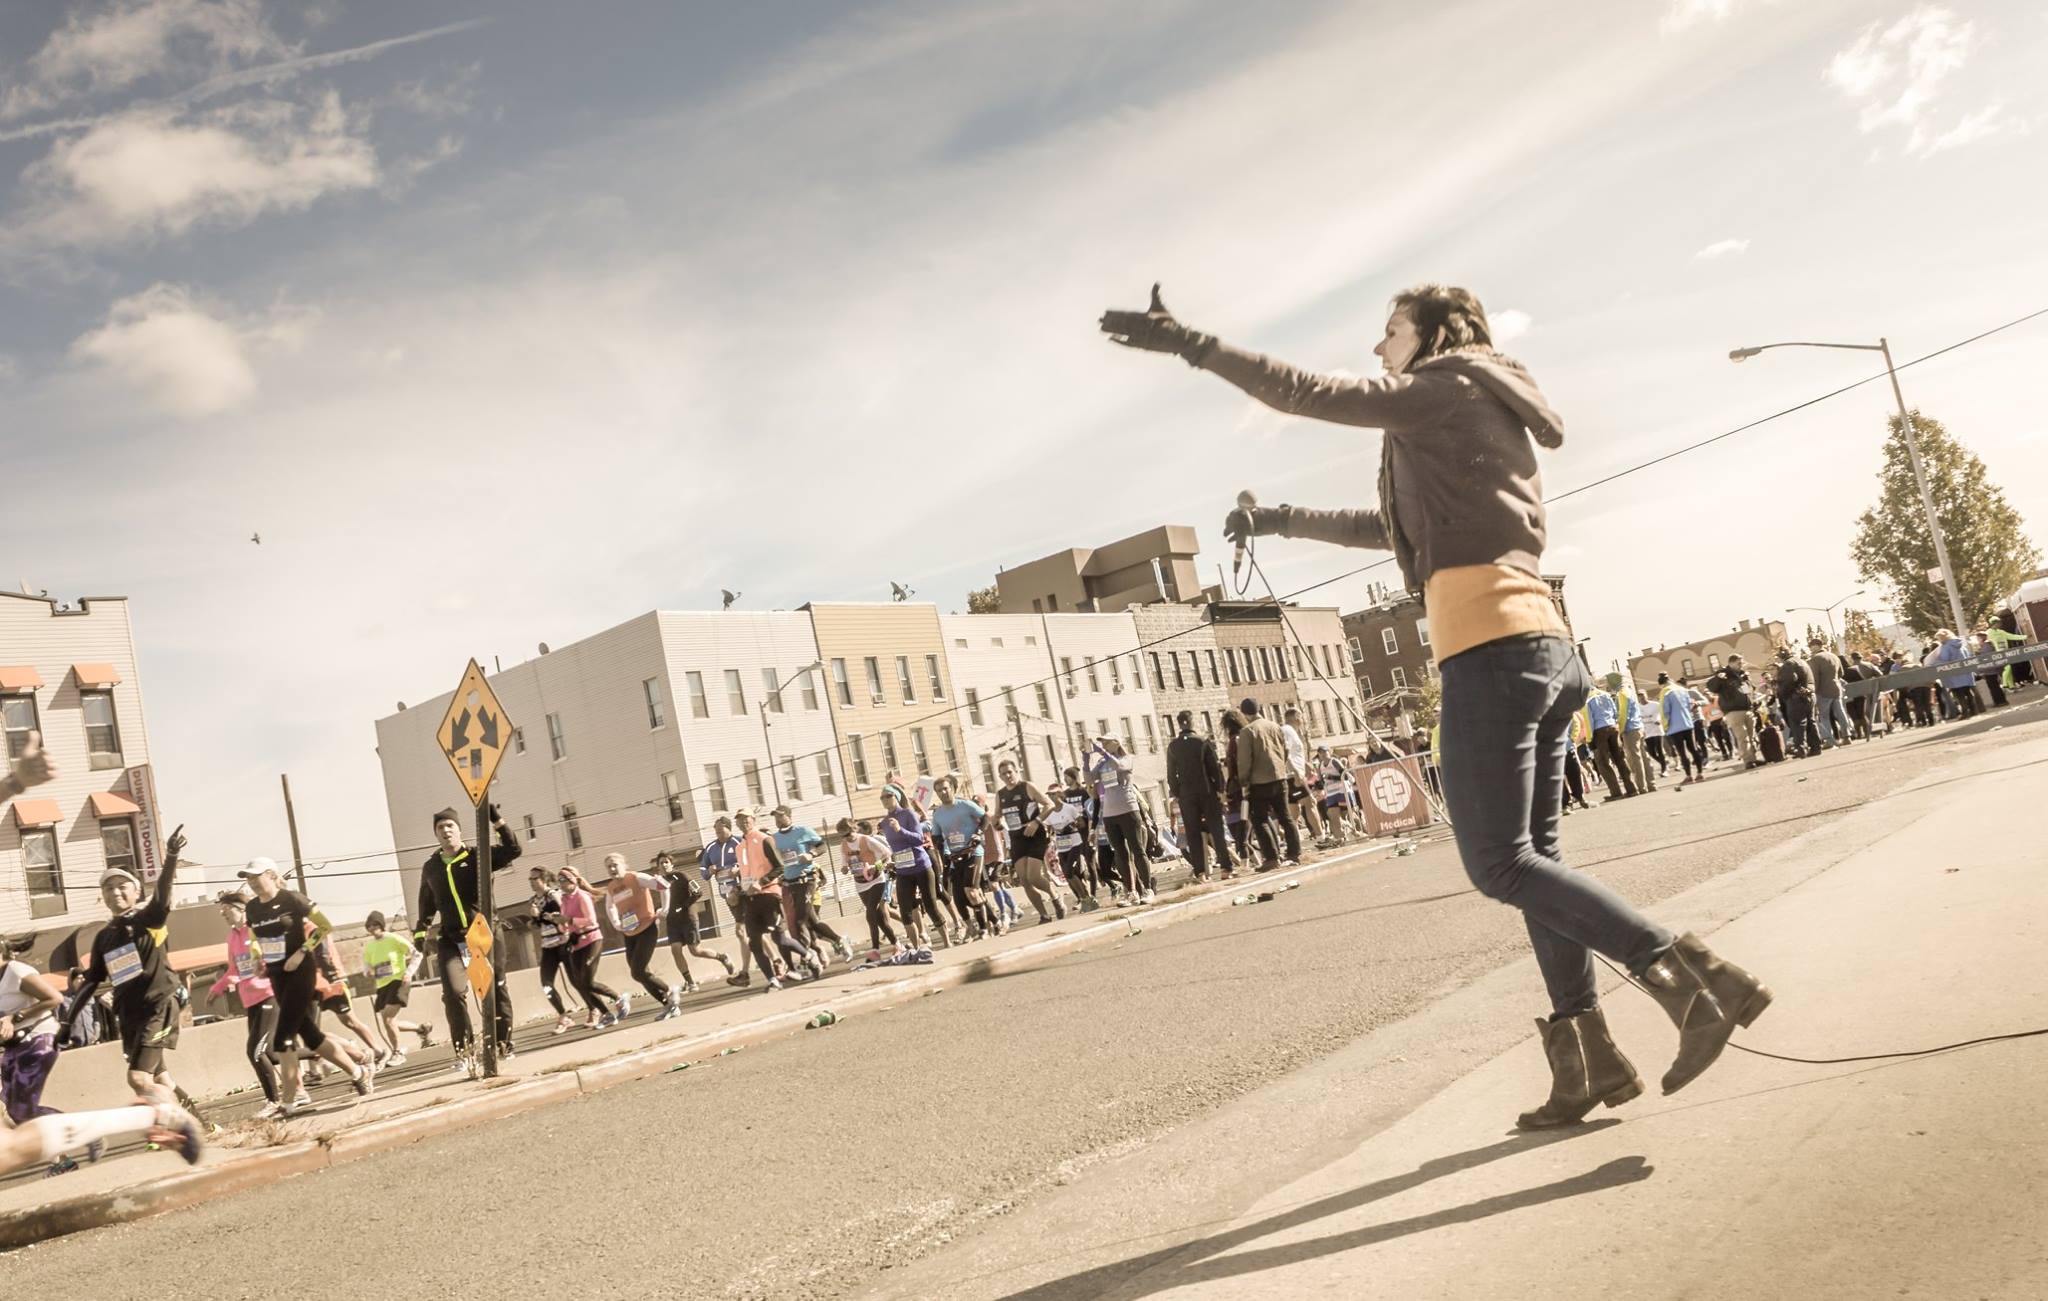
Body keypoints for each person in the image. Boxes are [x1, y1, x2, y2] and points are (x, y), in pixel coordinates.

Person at [1105, 279, 1770, 1126]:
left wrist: (1191, 344)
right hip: (1542, 644)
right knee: (1535, 867)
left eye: (1390, 332)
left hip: (1491, 649)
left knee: (1498, 863)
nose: (1378, 348)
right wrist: (1275, 519)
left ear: (1433, 334)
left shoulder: (1444, 387)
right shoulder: (1468, 408)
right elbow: (1385, 528)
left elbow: (1308, 393)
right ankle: (1587, 1056)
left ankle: (1689, 978)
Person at [60, 825, 208, 1117]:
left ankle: (177, 1130)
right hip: (129, 1015)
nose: (114, 892)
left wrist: (172, 856)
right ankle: (203, 1125)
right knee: (160, 1078)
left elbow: (163, 896)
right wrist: (67, 1023)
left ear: (136, 891)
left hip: (158, 1006)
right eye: (108, 887)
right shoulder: (104, 937)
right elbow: (90, 983)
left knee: (138, 1078)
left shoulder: (147, 920)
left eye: (122, 886)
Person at [237, 860, 373, 1107]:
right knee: (311, 1037)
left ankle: (288, 1101)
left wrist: (301, 951)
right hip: (276, 975)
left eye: (256, 876)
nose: (252, 882)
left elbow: (324, 926)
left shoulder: (293, 899)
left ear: (271, 875)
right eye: (248, 878)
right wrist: (258, 958)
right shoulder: (253, 908)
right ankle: (358, 1072)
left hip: (301, 971)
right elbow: (253, 937)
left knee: (282, 1040)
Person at [413, 805, 522, 1062]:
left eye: (450, 825)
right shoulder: (431, 867)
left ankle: (502, 1044)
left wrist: (496, 819)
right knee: (453, 994)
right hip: (452, 939)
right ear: (436, 835)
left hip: (483, 933)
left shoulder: (477, 856)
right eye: (440, 828)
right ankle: (465, 1052)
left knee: (494, 988)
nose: (445, 831)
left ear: (460, 830)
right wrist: (420, 933)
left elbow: (513, 850)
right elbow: (426, 902)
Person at [206, 891, 283, 1115]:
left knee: (255, 1052)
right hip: (250, 1001)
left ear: (240, 909)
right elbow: (234, 970)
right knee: (272, 1054)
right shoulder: (232, 937)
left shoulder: (256, 929)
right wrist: (217, 988)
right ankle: (322, 1051)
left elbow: (274, 954)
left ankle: (273, 1101)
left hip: (269, 995)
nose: (223, 914)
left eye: (226, 909)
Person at [733, 808, 821, 990]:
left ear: (753, 819)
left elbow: (780, 867)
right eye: (739, 820)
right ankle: (772, 980)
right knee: (754, 942)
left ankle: (808, 955)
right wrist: (737, 890)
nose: (743, 823)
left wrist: (762, 881)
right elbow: (746, 873)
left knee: (779, 938)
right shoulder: (739, 847)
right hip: (750, 899)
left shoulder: (765, 839)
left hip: (769, 895)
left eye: (746, 819)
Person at [1, 936, 70, 1145]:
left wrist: (16, 1017)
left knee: (21, 1110)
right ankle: (62, 1157)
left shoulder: (15, 971)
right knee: (13, 1111)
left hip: (38, 1039)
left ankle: (80, 1128)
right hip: (14, 1045)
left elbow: (55, 998)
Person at [601, 852, 683, 1020]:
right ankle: (669, 1006)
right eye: (609, 866)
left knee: (638, 971)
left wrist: (664, 909)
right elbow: (609, 906)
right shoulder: (611, 888)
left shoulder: (636, 878)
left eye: (615, 864)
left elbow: (663, 886)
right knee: (638, 972)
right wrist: (616, 922)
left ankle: (669, 990)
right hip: (630, 933)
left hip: (647, 928)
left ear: (624, 865)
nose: (612, 869)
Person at [772, 807, 854, 965]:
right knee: (812, 922)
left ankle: (808, 958)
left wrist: (811, 854)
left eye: (780, 816)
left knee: (799, 920)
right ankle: (839, 940)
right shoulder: (774, 838)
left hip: (807, 880)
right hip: (790, 883)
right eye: (775, 817)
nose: (777, 820)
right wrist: (781, 875)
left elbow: (822, 846)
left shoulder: (802, 831)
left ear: (789, 816)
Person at [651, 849, 733, 992]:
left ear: (671, 864)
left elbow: (698, 892)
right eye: (661, 863)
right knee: (675, 950)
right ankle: (690, 982)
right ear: (658, 866)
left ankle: (722, 957)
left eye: (666, 862)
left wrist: (683, 907)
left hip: (688, 918)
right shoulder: (659, 882)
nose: (664, 865)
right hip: (672, 922)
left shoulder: (681, 876)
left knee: (695, 950)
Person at [1232, 699, 1300, 870]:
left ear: (1244, 713)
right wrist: (1280, 766)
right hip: (1279, 776)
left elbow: (1245, 760)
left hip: (1259, 781)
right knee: (1285, 816)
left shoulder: (1248, 731)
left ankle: (1271, 857)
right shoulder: (1274, 726)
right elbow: (1285, 750)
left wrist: (1244, 781)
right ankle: (1294, 853)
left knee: (1260, 819)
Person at [1165, 711, 1234, 880]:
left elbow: (1171, 774)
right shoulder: (1203, 742)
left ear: (1178, 724)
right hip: (1206, 791)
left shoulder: (1173, 747)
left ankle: (1200, 872)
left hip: (1186, 795)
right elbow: (1215, 769)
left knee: (1193, 833)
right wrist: (1219, 789)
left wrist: (1178, 793)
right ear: (1192, 722)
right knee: (1216, 831)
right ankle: (1225, 869)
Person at [930, 777, 1002, 938]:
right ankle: (992, 923)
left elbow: (985, 818)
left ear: (952, 789)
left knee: (971, 890)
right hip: (956, 857)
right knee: (960, 898)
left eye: (946, 788)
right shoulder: (938, 814)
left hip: (973, 852)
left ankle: (983, 929)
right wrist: (944, 854)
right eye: (939, 790)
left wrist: (978, 834)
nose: (943, 792)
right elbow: (936, 837)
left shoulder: (964, 805)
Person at [996, 760, 1067, 922]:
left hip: (1035, 835)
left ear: (1016, 771)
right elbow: (997, 815)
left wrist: (1036, 822)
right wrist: (996, 822)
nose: (1007, 776)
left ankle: (1055, 896)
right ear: (1000, 777)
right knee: (1024, 880)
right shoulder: (1000, 795)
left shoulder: (1027, 786)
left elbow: (1049, 804)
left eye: (1010, 772)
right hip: (1017, 837)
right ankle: (1044, 915)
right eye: (1004, 774)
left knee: (1034, 876)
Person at [1087, 736, 1153, 904]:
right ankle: (1131, 892)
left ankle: (1148, 888)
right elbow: (1089, 779)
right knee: (1120, 855)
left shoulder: (1126, 759)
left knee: (1138, 850)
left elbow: (1120, 766)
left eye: (1107, 742)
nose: (1103, 746)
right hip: (1109, 814)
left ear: (1117, 743)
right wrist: (1085, 758)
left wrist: (1102, 752)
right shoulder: (1102, 763)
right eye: (1102, 743)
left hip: (1129, 810)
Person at [360, 910, 432, 1060]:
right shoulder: (369, 946)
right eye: (369, 926)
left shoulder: (393, 939)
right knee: (389, 1022)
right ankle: (421, 1029)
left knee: (388, 1020)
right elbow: (366, 966)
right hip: (382, 987)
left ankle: (398, 1053)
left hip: (399, 982)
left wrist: (409, 972)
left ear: (382, 925)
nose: (373, 928)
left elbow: (417, 954)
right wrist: (368, 972)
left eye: (375, 924)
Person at [558, 866, 622, 1027]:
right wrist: (559, 923)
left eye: (563, 880)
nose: (560, 884)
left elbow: (591, 920)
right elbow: (565, 925)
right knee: (580, 982)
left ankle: (618, 998)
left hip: (592, 940)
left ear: (572, 881)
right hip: (576, 943)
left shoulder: (582, 896)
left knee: (587, 981)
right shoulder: (564, 899)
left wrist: (569, 920)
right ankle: (606, 1014)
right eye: (558, 881)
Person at [699, 818, 757, 985]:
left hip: (744, 891)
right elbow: (703, 870)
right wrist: (709, 870)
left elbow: (752, 861)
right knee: (746, 932)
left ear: (729, 828)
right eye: (716, 830)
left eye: (720, 829)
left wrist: (738, 869)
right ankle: (767, 963)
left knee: (743, 931)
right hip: (727, 894)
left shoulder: (739, 842)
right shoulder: (711, 847)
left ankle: (751, 970)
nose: (718, 832)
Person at [836, 817, 901, 954]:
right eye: (843, 835)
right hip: (860, 883)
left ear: (854, 829)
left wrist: (875, 866)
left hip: (877, 880)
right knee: (879, 918)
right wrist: (844, 869)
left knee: (870, 913)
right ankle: (897, 944)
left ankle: (875, 950)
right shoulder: (844, 845)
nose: (846, 838)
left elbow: (887, 854)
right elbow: (844, 862)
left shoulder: (865, 840)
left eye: (848, 834)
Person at [527, 868, 581, 1033]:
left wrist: (541, 914)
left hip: (562, 941)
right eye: (530, 879)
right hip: (548, 945)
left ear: (543, 879)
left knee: (576, 979)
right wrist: (533, 919)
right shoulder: (533, 900)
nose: (531, 882)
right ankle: (563, 1016)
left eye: (534, 878)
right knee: (546, 983)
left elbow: (560, 915)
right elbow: (538, 924)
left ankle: (596, 1007)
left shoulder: (554, 895)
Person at [1280, 707, 1331, 849]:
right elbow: (1286, 753)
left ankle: (1294, 844)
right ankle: (1322, 838)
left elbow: (1294, 755)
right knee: (1311, 803)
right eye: (1301, 716)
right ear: (1296, 716)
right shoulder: (1288, 731)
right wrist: (1296, 772)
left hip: (1292, 775)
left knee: (1294, 812)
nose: (1302, 720)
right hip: (1293, 775)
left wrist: (1305, 764)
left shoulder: (1292, 732)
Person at [1047, 777, 1101, 911]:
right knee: (1067, 874)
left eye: (1054, 794)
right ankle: (1085, 898)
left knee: (1070, 872)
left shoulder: (1069, 808)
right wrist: (1050, 835)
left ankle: (1087, 899)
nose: (1052, 797)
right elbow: (1048, 830)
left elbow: (1081, 823)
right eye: (1050, 795)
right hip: (1061, 846)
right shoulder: (1049, 812)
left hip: (1075, 843)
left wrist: (1072, 825)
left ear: (1060, 794)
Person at [1708, 656, 1762, 769]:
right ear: (1731, 663)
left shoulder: (1742, 674)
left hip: (1748, 709)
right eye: (1739, 663)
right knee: (1742, 737)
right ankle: (1748, 761)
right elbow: (1711, 686)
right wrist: (1718, 678)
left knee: (1752, 736)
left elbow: (1750, 690)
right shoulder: (1723, 674)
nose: (1741, 665)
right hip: (1733, 711)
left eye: (1742, 663)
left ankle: (1753, 758)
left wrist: (1753, 699)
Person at [1584, 686, 1635, 798]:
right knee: (1620, 759)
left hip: (1599, 731)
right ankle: (1631, 788)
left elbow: (1589, 721)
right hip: (1613, 727)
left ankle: (1615, 792)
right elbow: (1615, 712)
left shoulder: (1587, 699)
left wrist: (1589, 739)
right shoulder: (1605, 695)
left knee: (1603, 763)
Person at [1774, 648, 1823, 756]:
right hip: (1809, 694)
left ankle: (1801, 749)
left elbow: (1787, 682)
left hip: (1796, 697)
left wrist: (1782, 693)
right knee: (1811, 722)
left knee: (1797, 724)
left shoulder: (1788, 664)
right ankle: (1816, 747)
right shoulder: (1802, 661)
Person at [1658, 674, 1702, 785]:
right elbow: (1689, 706)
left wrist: (1665, 726)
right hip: (1688, 723)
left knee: (1682, 752)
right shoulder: (1682, 689)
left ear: (1661, 684)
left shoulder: (1665, 692)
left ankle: (1688, 776)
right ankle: (1700, 773)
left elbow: (1665, 711)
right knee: (1693, 749)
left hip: (1674, 727)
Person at [1809, 639, 1852, 746]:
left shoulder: (1815, 659)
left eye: (1811, 646)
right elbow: (1841, 673)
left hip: (1823, 691)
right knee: (1840, 712)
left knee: (1824, 716)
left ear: (1816, 646)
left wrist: (1814, 691)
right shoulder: (1834, 656)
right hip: (1836, 688)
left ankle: (1829, 740)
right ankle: (1847, 736)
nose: (1810, 648)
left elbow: (1815, 678)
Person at [1619, 690, 1657, 793]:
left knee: (1635, 759)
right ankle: (1651, 784)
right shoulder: (1630, 692)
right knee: (1644, 757)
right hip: (1639, 726)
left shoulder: (1622, 693)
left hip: (1630, 729)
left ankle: (1641, 786)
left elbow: (1623, 714)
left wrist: (1620, 730)